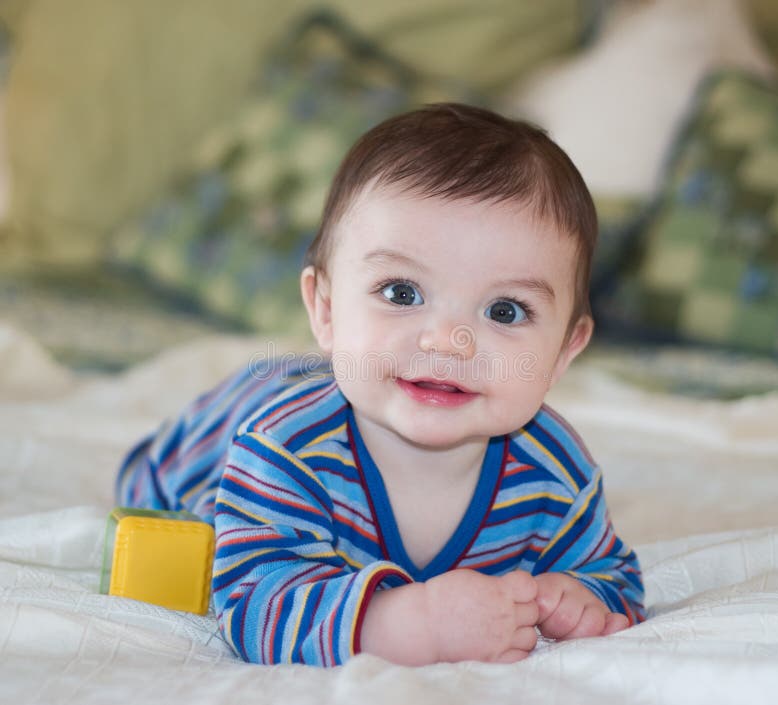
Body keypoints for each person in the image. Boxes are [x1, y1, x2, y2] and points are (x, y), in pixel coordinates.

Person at [116, 103, 645, 668]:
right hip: (228, 433)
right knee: (164, 510)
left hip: (357, 373)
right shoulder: (284, 450)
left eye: (506, 311)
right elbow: (253, 604)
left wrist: (580, 597)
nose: (448, 342)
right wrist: (404, 624)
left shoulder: (556, 473)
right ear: (324, 308)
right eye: (401, 293)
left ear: (565, 350)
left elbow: (616, 578)